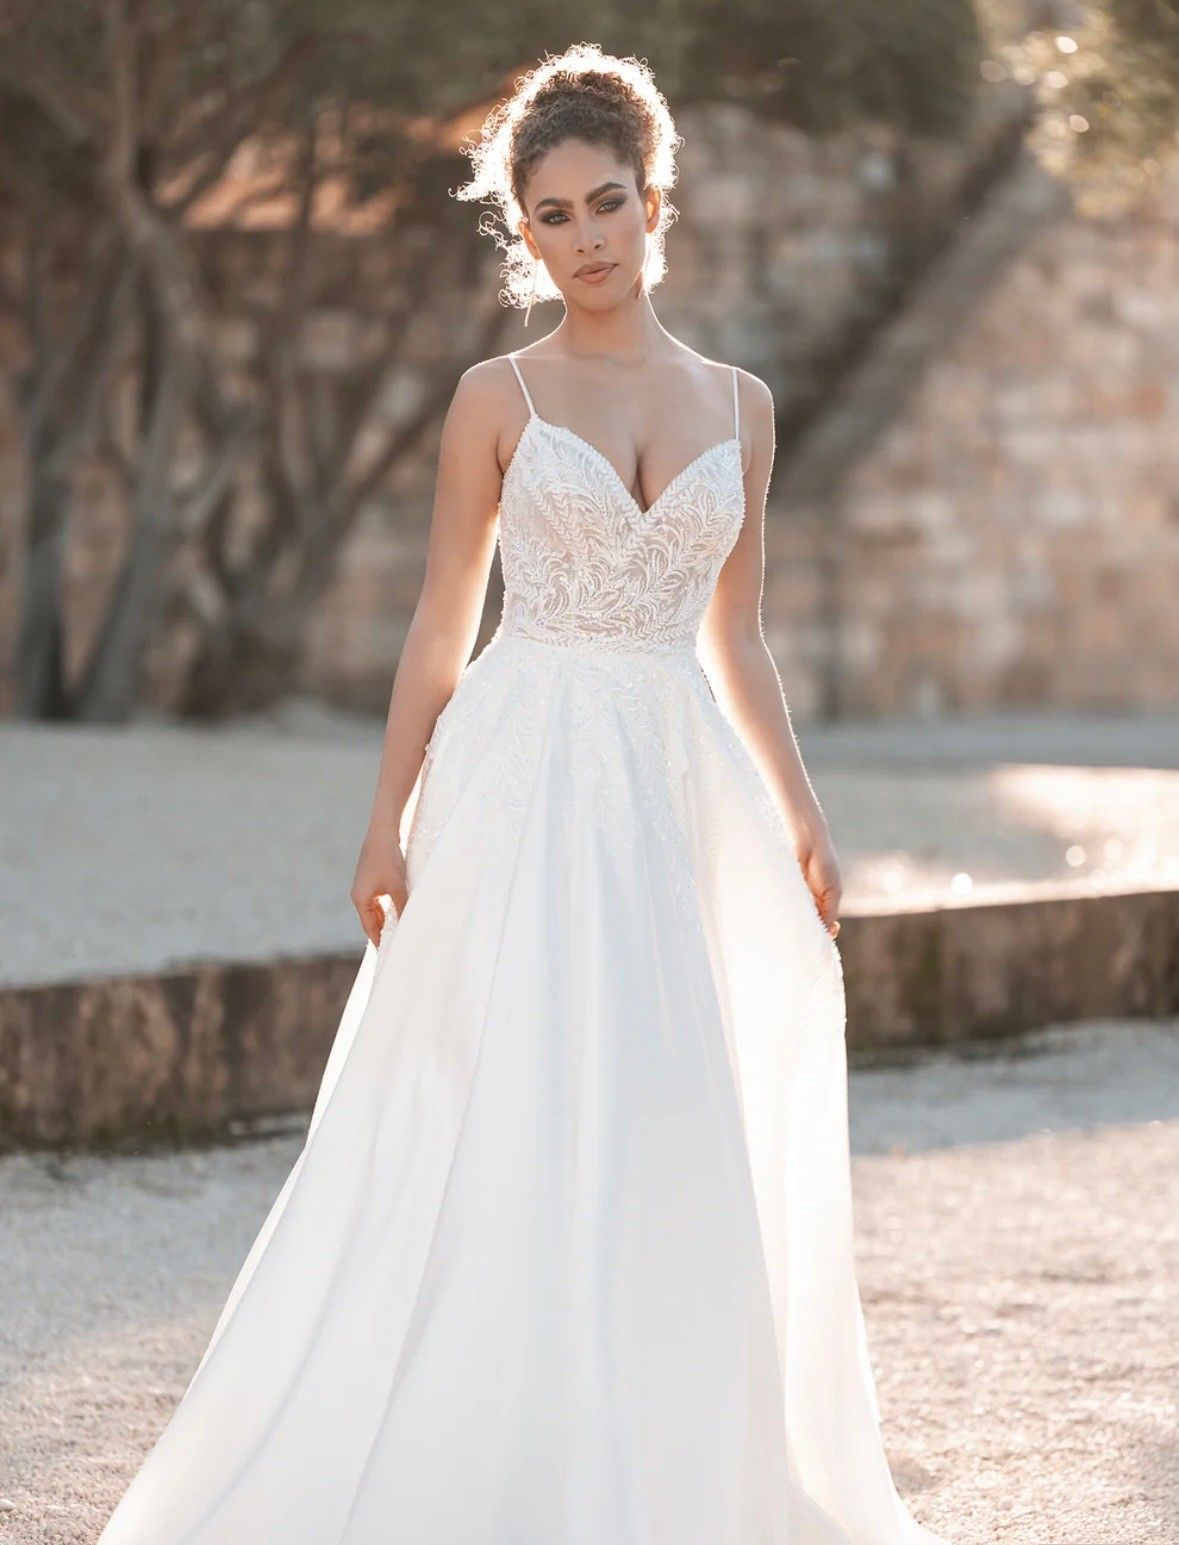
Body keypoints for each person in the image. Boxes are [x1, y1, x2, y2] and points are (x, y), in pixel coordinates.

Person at [97, 41, 952, 1545]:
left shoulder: (739, 408)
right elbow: (440, 627)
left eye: (605, 203)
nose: (584, 241)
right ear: (523, 232)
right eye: (549, 217)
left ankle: (651, 1456)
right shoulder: (494, 397)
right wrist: (382, 816)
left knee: (661, 1101)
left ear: (654, 196)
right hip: (518, 765)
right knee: (491, 1100)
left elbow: (734, 636)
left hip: (668, 776)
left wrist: (802, 811)